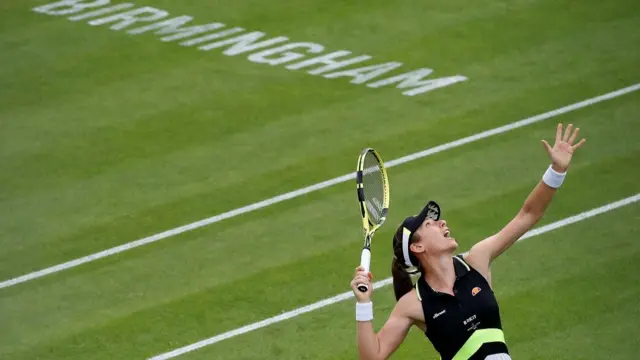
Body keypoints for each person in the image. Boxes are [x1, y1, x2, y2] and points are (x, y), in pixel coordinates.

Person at [350, 123, 586, 360]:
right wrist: (363, 303)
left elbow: (528, 214)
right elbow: (373, 357)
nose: (442, 223)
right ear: (417, 246)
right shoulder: (413, 304)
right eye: (430, 223)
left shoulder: (476, 261)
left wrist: (556, 170)